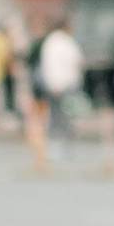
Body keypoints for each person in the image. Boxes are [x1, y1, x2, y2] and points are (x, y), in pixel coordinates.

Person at [33, 14, 85, 145]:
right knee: (68, 113)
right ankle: (67, 140)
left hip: (52, 83)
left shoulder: (50, 42)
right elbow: (77, 61)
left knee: (55, 113)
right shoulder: (67, 42)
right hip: (67, 83)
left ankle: (53, 140)